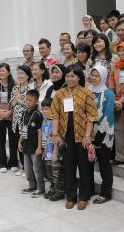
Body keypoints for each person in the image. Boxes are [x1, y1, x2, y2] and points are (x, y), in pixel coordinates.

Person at [51, 65, 98, 210]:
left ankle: (84, 197)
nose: (70, 79)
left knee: (84, 168)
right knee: (69, 167)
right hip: (66, 137)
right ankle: (71, 196)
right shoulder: (60, 94)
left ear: (79, 77)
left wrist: (88, 135)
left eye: (73, 76)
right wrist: (55, 134)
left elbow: (91, 116)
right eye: (67, 76)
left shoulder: (86, 93)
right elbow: (55, 115)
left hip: (82, 136)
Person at [88, 65, 114, 204]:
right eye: (92, 75)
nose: (93, 78)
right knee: (88, 164)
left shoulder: (109, 93)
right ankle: (89, 189)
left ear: (103, 77)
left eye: (97, 75)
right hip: (87, 133)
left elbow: (108, 115)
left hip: (104, 134)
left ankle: (106, 193)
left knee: (104, 164)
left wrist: (98, 136)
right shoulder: (87, 91)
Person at [0, 63, 17, 173]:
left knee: (13, 140)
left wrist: (10, 111)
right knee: (0, 141)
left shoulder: (14, 84)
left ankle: (13, 163)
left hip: (11, 116)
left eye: (3, 71)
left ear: (8, 72)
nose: (1, 73)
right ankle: (2, 163)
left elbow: (17, 100)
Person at [18, 89, 45, 197]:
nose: (27, 101)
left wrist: (39, 147)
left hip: (35, 147)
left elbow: (40, 132)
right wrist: (20, 141)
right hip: (26, 145)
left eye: (30, 100)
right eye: (26, 99)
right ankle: (31, 185)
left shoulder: (38, 114)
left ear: (36, 101)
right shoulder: (24, 113)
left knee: (37, 169)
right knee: (28, 169)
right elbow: (23, 128)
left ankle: (40, 188)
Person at [41, 98, 64, 201]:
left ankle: (60, 192)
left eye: (47, 109)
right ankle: (53, 189)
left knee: (57, 174)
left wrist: (55, 153)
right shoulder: (45, 121)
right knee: (49, 174)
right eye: (43, 109)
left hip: (55, 154)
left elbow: (56, 140)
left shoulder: (56, 123)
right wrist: (44, 152)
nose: (44, 111)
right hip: (47, 153)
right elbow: (45, 138)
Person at [11, 65, 32, 175]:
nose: (20, 76)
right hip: (16, 120)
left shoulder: (31, 87)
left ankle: (27, 169)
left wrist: (18, 99)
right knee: (17, 143)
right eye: (18, 73)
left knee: (25, 143)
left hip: (26, 120)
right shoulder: (15, 88)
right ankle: (23, 167)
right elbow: (12, 104)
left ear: (28, 75)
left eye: (22, 73)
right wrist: (18, 100)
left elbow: (30, 105)